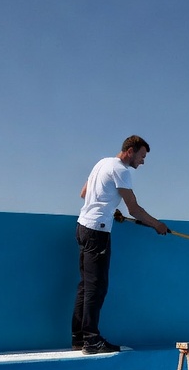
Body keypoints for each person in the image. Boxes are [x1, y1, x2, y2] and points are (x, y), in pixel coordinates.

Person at [72, 135, 170, 354]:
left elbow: (84, 193)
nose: (142, 161)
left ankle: (78, 338)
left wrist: (109, 207)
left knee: (86, 285)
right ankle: (91, 340)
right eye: (141, 156)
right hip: (97, 231)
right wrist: (157, 225)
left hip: (83, 227)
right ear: (130, 151)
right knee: (96, 287)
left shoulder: (102, 163)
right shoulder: (121, 170)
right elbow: (134, 209)